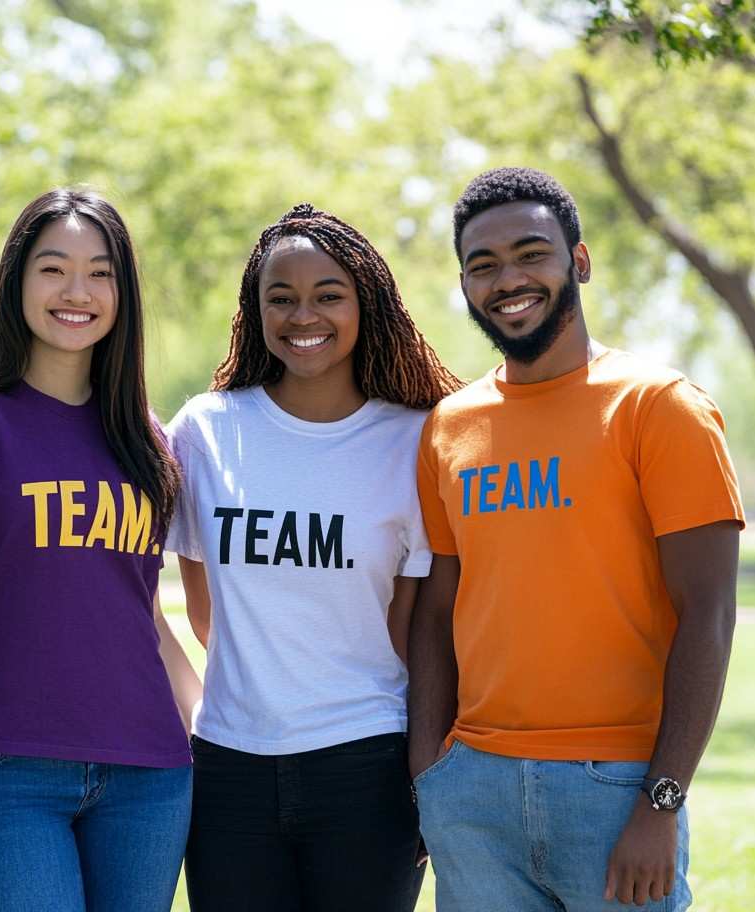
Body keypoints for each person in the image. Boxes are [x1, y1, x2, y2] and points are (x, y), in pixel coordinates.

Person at [409, 166, 744, 911]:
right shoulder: (449, 426)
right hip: (474, 789)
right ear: (465, 285)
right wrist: (428, 774)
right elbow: (437, 610)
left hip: (616, 786)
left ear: (579, 263)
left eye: (532, 254)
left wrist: (661, 801)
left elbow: (710, 615)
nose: (509, 279)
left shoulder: (660, 408)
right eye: (483, 265)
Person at [168, 203, 463, 911]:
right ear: (255, 308)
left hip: (367, 767)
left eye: (329, 295)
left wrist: (423, 771)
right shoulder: (206, 432)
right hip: (228, 770)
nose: (305, 315)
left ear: (368, 305)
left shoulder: (416, 442)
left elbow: (415, 629)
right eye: (282, 298)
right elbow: (208, 615)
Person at [0, 188, 201, 911]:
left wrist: (209, 735)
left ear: (122, 292)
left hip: (151, 774)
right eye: (53, 269)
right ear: (15, 282)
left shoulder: (147, 439)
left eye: (100, 273)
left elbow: (145, 614)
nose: (77, 292)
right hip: (6, 771)